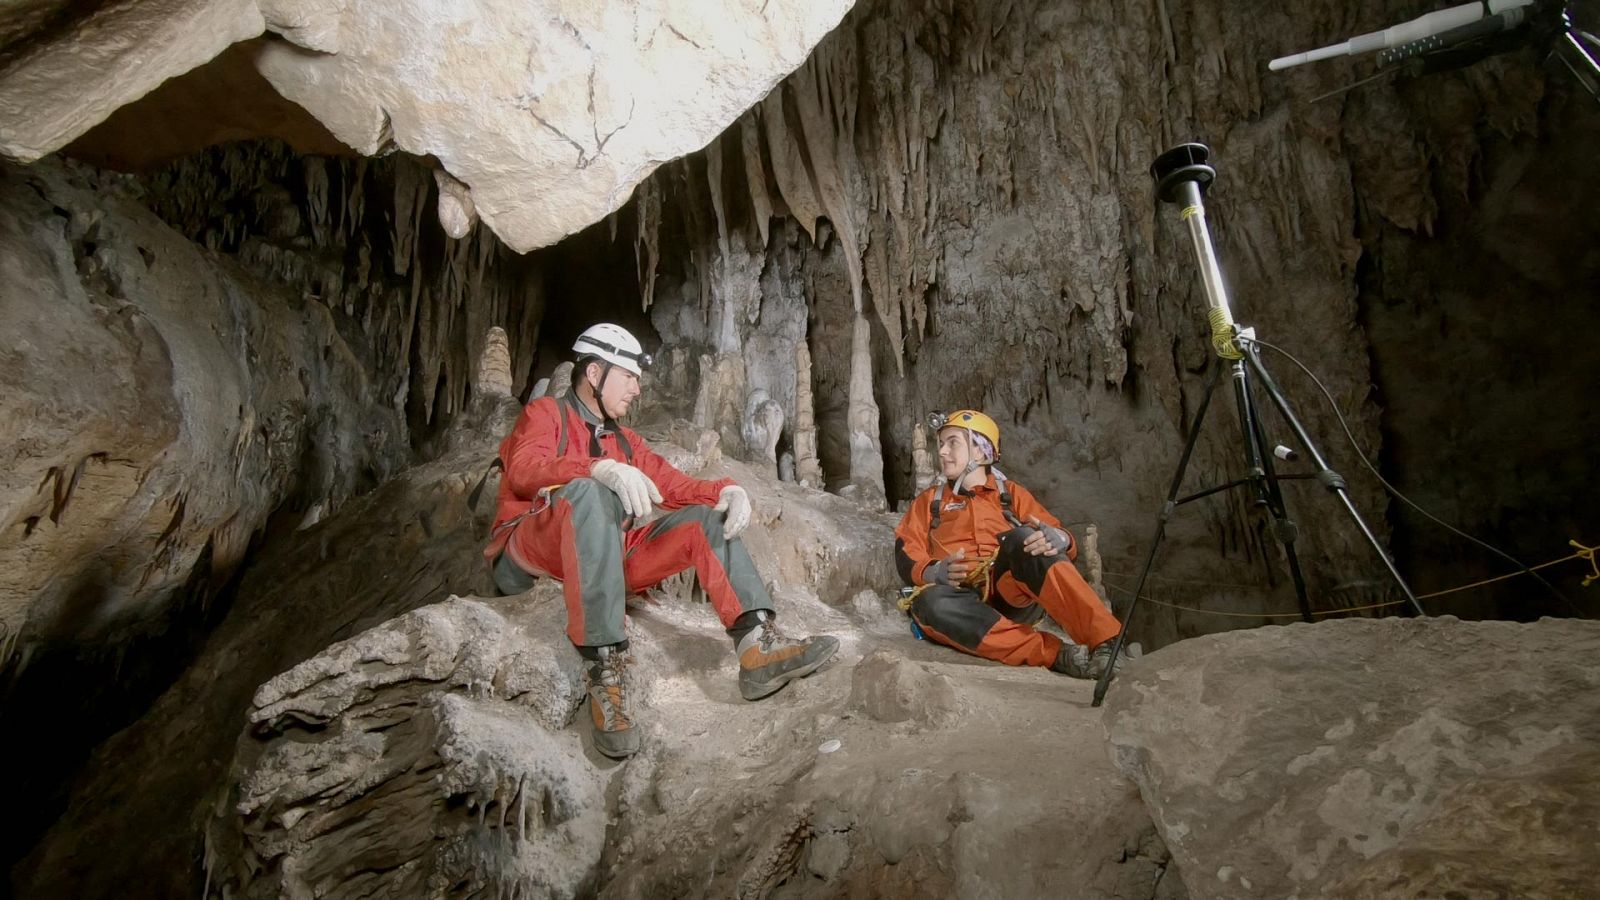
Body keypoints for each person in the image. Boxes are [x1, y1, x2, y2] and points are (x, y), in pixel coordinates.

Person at [483, 323, 839, 758]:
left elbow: (670, 483)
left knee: (704, 521)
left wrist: (723, 491)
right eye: (628, 376)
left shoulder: (624, 441)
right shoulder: (546, 414)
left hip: (604, 555)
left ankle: (757, 647)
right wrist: (593, 469)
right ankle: (606, 670)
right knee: (589, 492)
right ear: (594, 374)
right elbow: (524, 470)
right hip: (532, 548)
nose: (636, 387)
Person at [893, 409, 1124, 679]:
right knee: (929, 603)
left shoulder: (1010, 494)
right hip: (960, 602)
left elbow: (1055, 534)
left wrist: (1061, 539)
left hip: (1010, 592)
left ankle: (1106, 642)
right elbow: (906, 549)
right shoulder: (930, 502)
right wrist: (933, 571)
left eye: (952, 442)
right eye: (941, 444)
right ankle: (1057, 654)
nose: (942, 452)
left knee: (1026, 538)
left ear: (980, 451)